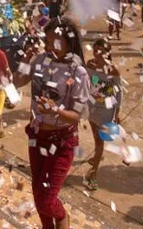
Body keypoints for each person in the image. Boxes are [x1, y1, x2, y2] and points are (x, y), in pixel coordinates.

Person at [13, 17, 91, 229]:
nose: (48, 46)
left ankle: (62, 218)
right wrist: (25, 62)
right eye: (46, 41)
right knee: (38, 194)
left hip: (62, 141)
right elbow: (17, 81)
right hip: (37, 137)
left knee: (47, 198)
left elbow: (77, 115)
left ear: (68, 42)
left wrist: (55, 110)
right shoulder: (39, 61)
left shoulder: (78, 72)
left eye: (54, 42)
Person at [85, 39, 122, 191]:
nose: (98, 53)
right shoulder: (90, 65)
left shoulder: (113, 70)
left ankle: (93, 174)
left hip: (106, 110)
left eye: (102, 50)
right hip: (92, 106)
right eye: (96, 50)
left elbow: (118, 93)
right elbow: (88, 83)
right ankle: (96, 156)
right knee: (95, 135)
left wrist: (117, 113)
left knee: (100, 141)